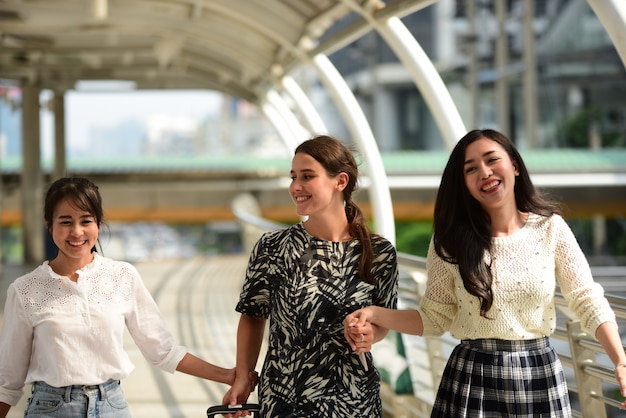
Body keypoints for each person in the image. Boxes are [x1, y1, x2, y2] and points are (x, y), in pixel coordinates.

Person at [344, 129, 626, 417]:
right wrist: (375, 313)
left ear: (514, 166)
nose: (485, 172)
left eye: (492, 160)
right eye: (471, 169)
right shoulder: (449, 241)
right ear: (464, 183)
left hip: (539, 374)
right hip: (473, 379)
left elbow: (587, 299)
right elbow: (433, 318)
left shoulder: (550, 228)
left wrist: (620, 361)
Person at [0, 177, 256, 418]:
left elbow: (162, 350)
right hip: (51, 408)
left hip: (112, 406)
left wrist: (230, 377)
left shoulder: (123, 276)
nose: (77, 232)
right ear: (49, 225)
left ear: (98, 224)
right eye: (65, 222)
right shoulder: (25, 290)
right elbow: (8, 381)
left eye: (86, 221)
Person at [223, 134, 399, 417]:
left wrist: (369, 335)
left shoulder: (379, 253)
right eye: (293, 177)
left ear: (340, 182)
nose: (296, 187)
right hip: (285, 399)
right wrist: (243, 377)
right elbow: (253, 316)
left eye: (307, 176)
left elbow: (384, 320)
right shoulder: (273, 247)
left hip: (353, 399)